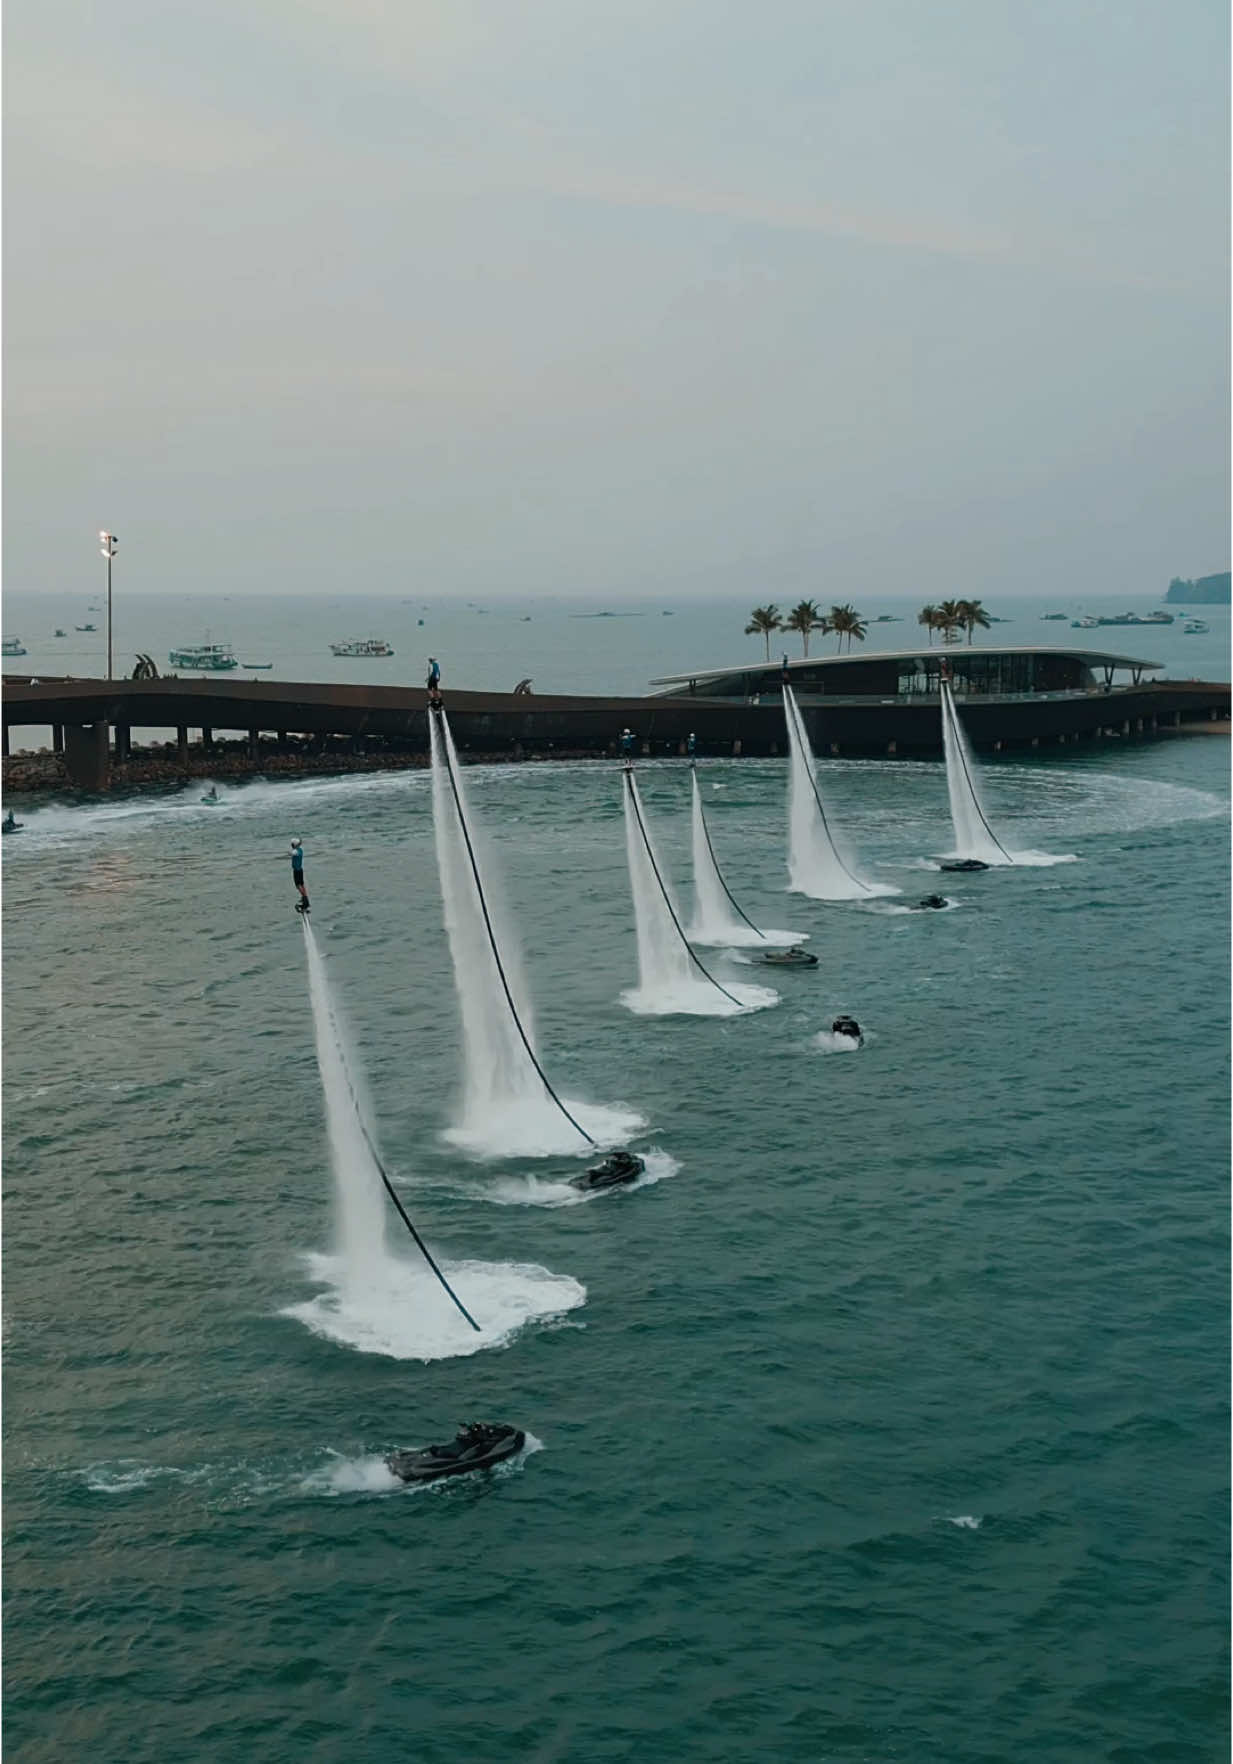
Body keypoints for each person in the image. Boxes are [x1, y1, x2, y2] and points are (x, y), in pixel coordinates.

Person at [290, 838, 310, 911]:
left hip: (296, 871)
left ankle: (305, 900)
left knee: (298, 885)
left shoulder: (296, 851)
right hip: (300, 870)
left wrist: (289, 853)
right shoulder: (300, 850)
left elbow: (293, 853)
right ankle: (305, 898)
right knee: (302, 885)